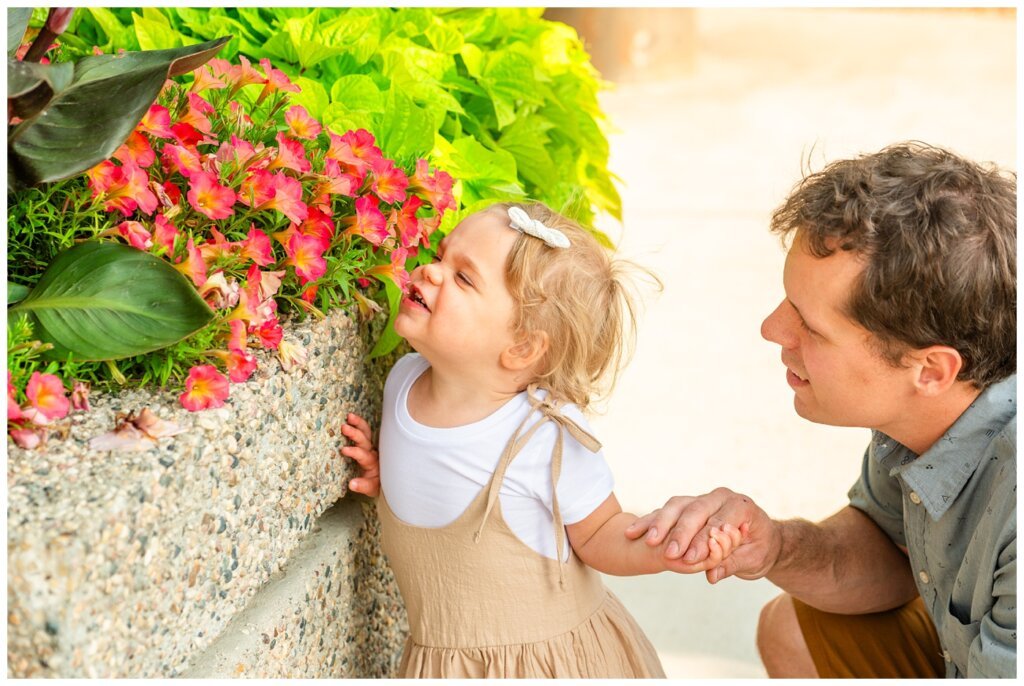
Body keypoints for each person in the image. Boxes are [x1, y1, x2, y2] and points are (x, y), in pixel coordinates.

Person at [625, 142, 1016, 678]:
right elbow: (890, 552)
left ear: (930, 370)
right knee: (794, 626)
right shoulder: (921, 417)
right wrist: (773, 546)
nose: (772, 330)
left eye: (811, 326)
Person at [341, 201, 741, 678]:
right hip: (443, 662)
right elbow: (442, 473)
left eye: (464, 278)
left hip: (547, 665)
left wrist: (665, 549)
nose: (429, 271)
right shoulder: (403, 381)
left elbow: (598, 534)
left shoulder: (542, 435)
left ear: (522, 347)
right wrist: (388, 473)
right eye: (441, 254)